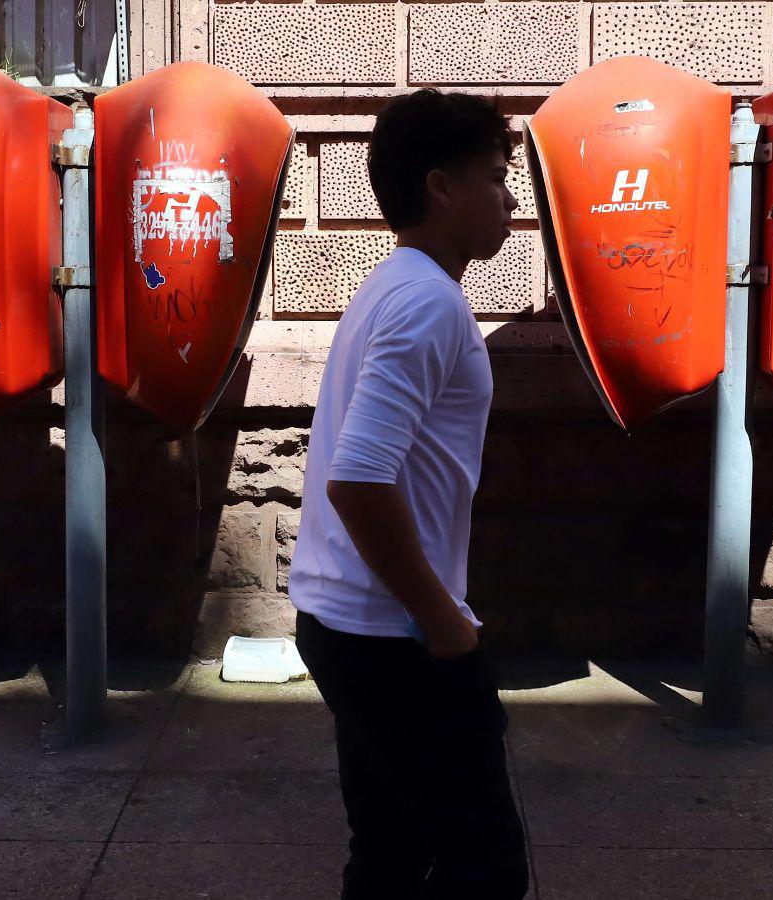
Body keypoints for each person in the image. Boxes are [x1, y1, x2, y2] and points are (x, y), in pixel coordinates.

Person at [288, 88, 528, 900]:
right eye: (496, 178)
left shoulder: (396, 285)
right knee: (484, 868)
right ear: (440, 186)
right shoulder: (427, 300)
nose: (510, 200)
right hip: (393, 638)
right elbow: (358, 480)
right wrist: (445, 624)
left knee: (388, 854)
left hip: (350, 624)